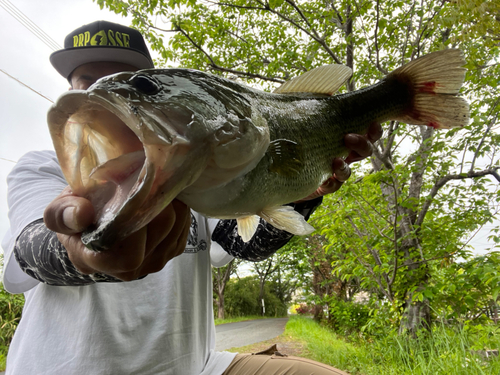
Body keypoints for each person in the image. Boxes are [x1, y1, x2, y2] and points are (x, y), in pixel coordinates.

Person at [1, 21, 382, 375]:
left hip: (197, 366)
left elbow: (243, 244)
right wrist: (82, 250)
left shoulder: (197, 168)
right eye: (88, 81)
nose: (104, 90)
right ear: (71, 94)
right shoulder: (40, 168)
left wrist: (305, 191)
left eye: (129, 80)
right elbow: (33, 252)